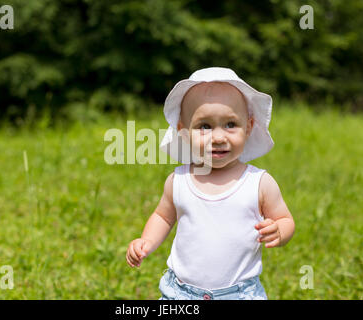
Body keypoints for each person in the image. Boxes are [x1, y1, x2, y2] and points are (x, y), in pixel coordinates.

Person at [126, 67, 295, 300]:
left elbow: (284, 219)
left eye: (230, 124)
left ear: (248, 127)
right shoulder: (179, 181)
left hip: (239, 294)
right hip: (182, 294)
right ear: (184, 133)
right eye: (204, 126)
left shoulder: (258, 183)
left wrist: (279, 231)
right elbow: (163, 217)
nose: (218, 137)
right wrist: (145, 241)